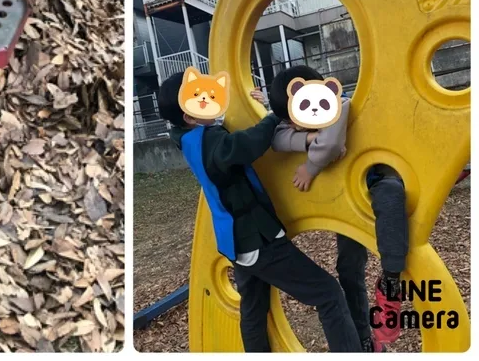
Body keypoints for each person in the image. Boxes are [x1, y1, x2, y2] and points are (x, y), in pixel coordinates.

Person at [158, 71, 362, 352]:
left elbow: (228, 134)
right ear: (190, 116)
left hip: (236, 242)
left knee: (253, 309)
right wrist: (272, 117)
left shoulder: (189, 138)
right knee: (328, 294)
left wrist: (257, 105)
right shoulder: (211, 144)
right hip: (257, 239)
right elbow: (246, 145)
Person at [257, 65, 409, 351]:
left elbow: (331, 144)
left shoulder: (340, 103)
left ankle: (390, 283)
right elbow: (275, 139)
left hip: (376, 181)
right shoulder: (301, 123)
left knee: (391, 197)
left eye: (294, 120)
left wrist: (311, 166)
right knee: (349, 268)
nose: (294, 126)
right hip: (345, 200)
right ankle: (364, 338)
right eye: (291, 121)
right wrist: (308, 138)